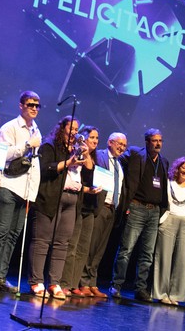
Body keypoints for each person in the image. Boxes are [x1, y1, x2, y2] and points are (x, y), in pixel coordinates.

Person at [0, 91, 42, 293]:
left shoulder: (36, 130)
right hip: (9, 186)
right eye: (30, 104)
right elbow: (3, 153)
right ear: (21, 106)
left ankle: (1, 276)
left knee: (13, 235)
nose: (34, 108)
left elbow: (35, 166)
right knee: (0, 233)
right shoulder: (10, 128)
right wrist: (27, 145)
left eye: (37, 105)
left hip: (25, 192)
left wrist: (32, 194)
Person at [29, 116, 91, 299]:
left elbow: (89, 169)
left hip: (71, 200)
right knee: (42, 241)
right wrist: (68, 163)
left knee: (62, 244)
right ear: (61, 128)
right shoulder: (49, 145)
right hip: (51, 197)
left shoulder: (76, 149)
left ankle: (54, 282)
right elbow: (45, 168)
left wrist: (85, 154)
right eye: (70, 128)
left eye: (76, 129)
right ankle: (36, 281)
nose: (74, 132)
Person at [109, 128, 169, 302]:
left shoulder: (163, 161)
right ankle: (116, 285)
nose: (158, 144)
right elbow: (116, 160)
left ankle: (140, 288)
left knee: (147, 254)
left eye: (160, 141)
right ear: (147, 141)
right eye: (154, 140)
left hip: (154, 211)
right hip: (136, 208)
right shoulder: (135, 154)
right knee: (126, 249)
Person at [79, 132, 127, 299]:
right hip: (99, 206)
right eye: (118, 144)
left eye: (124, 146)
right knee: (90, 246)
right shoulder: (99, 156)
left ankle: (92, 282)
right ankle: (83, 282)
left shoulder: (119, 165)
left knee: (100, 249)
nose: (121, 148)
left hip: (111, 209)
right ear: (109, 142)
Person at [60, 125, 103, 297]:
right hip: (78, 203)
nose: (94, 141)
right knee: (72, 246)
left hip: (91, 206)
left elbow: (92, 174)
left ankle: (74, 283)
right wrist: (83, 152)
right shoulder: (77, 153)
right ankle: (64, 283)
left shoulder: (96, 158)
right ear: (83, 138)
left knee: (83, 249)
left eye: (96, 138)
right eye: (92, 137)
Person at [152, 156, 185, 305]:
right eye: (183, 167)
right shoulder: (168, 182)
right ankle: (161, 293)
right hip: (169, 219)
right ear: (177, 168)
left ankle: (175, 295)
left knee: (182, 260)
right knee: (164, 257)